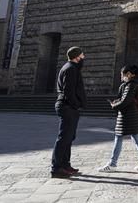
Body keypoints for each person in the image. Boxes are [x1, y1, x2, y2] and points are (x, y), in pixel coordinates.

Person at [99, 65, 138, 172]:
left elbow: (126, 101)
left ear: (129, 74)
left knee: (119, 137)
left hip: (128, 116)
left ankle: (112, 164)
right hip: (136, 116)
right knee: (136, 138)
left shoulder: (131, 84)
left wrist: (114, 105)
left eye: (123, 75)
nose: (122, 77)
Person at [51, 46, 87, 179]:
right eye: (82, 56)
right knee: (64, 138)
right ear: (77, 56)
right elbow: (68, 91)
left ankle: (65, 165)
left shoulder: (69, 67)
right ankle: (56, 168)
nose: (83, 58)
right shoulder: (71, 69)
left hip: (68, 107)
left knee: (68, 138)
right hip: (67, 107)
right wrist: (77, 104)